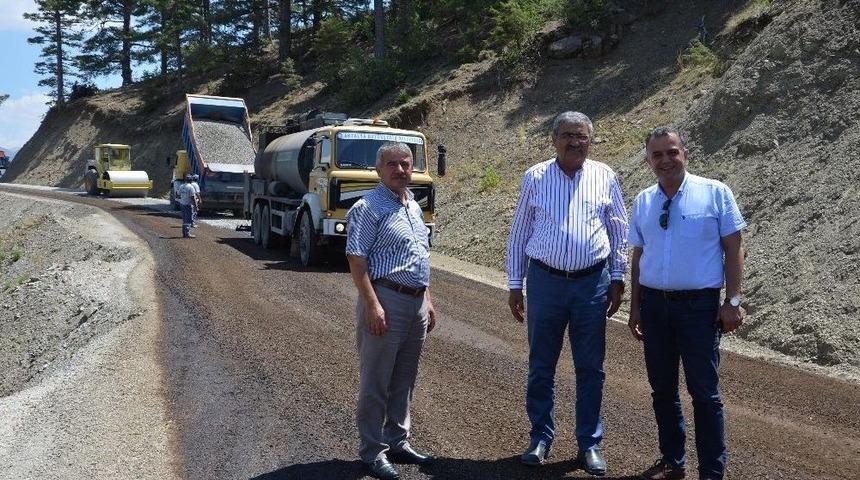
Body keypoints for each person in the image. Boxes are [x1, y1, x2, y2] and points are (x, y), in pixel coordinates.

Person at [506, 111, 628, 475]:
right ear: (554, 139)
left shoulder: (605, 175)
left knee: (591, 367)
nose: (576, 142)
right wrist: (515, 283)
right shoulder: (536, 177)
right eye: (568, 136)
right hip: (545, 281)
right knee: (541, 364)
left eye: (583, 137)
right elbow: (519, 232)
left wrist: (618, 277)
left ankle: (589, 443)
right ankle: (540, 437)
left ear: (591, 140)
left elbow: (619, 228)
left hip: (593, 282)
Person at [627, 126, 746, 480]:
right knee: (662, 390)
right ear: (648, 160)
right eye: (657, 155)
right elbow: (638, 256)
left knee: (704, 394)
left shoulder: (715, 193)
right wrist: (635, 307)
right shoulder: (644, 200)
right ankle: (672, 461)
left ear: (685, 154)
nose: (665, 160)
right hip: (654, 306)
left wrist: (733, 300)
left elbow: (734, 248)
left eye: (672, 152)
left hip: (699, 308)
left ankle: (711, 471)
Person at [345, 142, 437, 480]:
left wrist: (427, 299)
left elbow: (418, 256)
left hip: (415, 302)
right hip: (386, 300)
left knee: (404, 378)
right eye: (392, 164)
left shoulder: (412, 204)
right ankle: (372, 450)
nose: (400, 169)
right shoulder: (368, 207)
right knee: (376, 380)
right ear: (378, 169)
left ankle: (397, 439)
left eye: (406, 163)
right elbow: (356, 258)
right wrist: (372, 305)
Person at [177, 174, 196, 238]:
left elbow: (178, 195)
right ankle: (187, 233)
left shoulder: (181, 186)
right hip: (188, 205)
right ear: (191, 181)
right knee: (188, 219)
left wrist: (183, 198)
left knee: (184, 219)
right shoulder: (191, 187)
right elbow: (193, 198)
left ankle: (184, 233)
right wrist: (195, 206)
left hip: (182, 204)